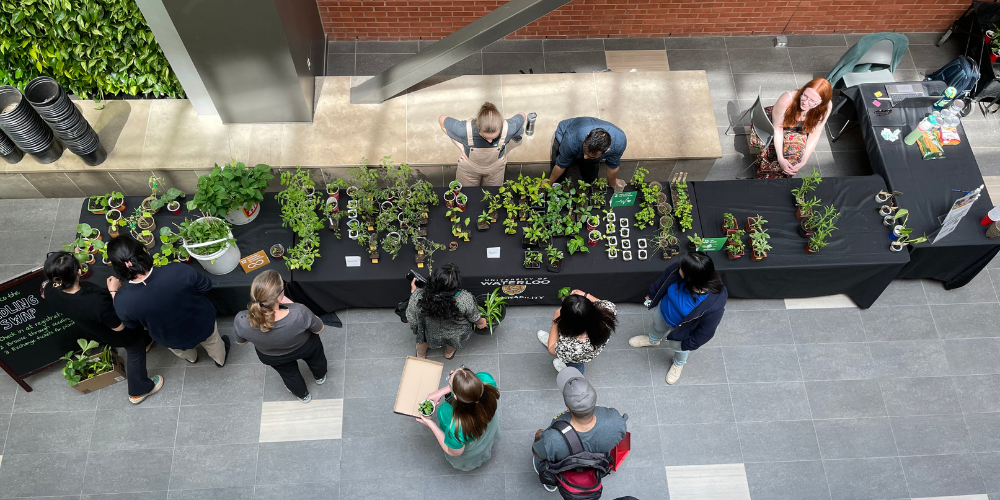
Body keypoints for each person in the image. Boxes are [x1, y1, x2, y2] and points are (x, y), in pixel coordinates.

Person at [42, 251, 163, 404]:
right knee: (135, 350)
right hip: (117, 332)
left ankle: (145, 341)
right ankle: (138, 391)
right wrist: (113, 291)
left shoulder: (50, 291)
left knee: (138, 339)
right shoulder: (94, 302)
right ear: (79, 271)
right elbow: (119, 327)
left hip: (94, 329)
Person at [107, 233, 230, 367]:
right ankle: (220, 360)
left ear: (118, 268)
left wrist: (114, 293)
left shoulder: (122, 300)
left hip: (170, 338)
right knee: (214, 344)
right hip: (202, 322)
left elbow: (131, 325)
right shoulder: (178, 270)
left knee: (184, 352)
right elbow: (206, 285)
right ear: (143, 250)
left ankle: (192, 359)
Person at [629, 252, 728, 385]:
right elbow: (663, 280)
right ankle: (653, 340)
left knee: (680, 350)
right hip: (663, 312)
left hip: (682, 332)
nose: (678, 269)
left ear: (692, 277)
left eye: (683, 269)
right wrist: (652, 294)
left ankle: (678, 364)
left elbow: (706, 332)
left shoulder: (714, 303)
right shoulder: (679, 270)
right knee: (656, 327)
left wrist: (686, 345)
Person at [233, 270, 327, 403]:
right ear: (278, 297)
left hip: (272, 356)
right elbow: (319, 329)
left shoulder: (241, 319)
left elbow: (241, 342)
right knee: (316, 360)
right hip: (305, 346)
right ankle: (320, 377)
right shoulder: (299, 311)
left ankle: (303, 396)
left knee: (289, 375)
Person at [532, 367, 627, 492]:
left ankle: (552, 483)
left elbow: (538, 454)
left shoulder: (553, 438)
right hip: (594, 464)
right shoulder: (616, 421)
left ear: (568, 408)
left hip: (564, 465)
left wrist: (538, 437)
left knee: (542, 461)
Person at [416, 366, 501, 471]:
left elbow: (453, 452)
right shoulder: (486, 380)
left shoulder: (454, 423)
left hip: (472, 448)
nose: (451, 371)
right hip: (489, 427)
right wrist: (442, 391)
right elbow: (469, 386)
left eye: (450, 377)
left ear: (455, 396)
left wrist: (431, 424)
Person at [752, 77, 833, 179]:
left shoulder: (825, 109)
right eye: (805, 96)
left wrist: (804, 161)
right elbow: (777, 129)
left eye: (813, 102)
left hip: (798, 128)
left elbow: (815, 133)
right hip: (776, 123)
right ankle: (764, 174)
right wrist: (781, 158)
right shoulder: (787, 99)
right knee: (773, 152)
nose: (806, 103)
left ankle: (776, 176)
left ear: (821, 103)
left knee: (793, 160)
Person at [406, 264, 487, 359]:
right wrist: (481, 322)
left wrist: (414, 294)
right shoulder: (465, 299)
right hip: (454, 332)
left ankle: (420, 355)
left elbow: (411, 320)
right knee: (452, 342)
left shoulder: (418, 296)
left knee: (422, 342)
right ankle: (448, 354)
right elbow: (473, 316)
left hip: (427, 330)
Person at [439, 102, 526, 186]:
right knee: (467, 194)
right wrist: (460, 147)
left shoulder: (509, 128)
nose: (490, 141)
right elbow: (441, 119)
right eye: (486, 137)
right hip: (469, 169)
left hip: (495, 169)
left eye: (494, 137)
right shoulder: (464, 129)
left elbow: (523, 115)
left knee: (493, 194)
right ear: (477, 125)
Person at [536, 290, 617, 373]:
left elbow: (551, 350)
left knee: (575, 365)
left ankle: (575, 372)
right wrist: (585, 295)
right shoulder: (608, 313)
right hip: (594, 347)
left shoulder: (569, 347)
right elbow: (603, 303)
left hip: (576, 355)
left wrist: (555, 321)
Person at [549, 117, 627, 190]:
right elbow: (560, 166)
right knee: (558, 179)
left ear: (606, 151)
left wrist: (612, 183)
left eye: (591, 156)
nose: (585, 157)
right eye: (585, 151)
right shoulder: (571, 140)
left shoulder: (618, 143)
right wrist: (548, 183)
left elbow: (612, 166)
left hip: (578, 140)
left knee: (591, 178)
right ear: (588, 134)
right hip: (564, 134)